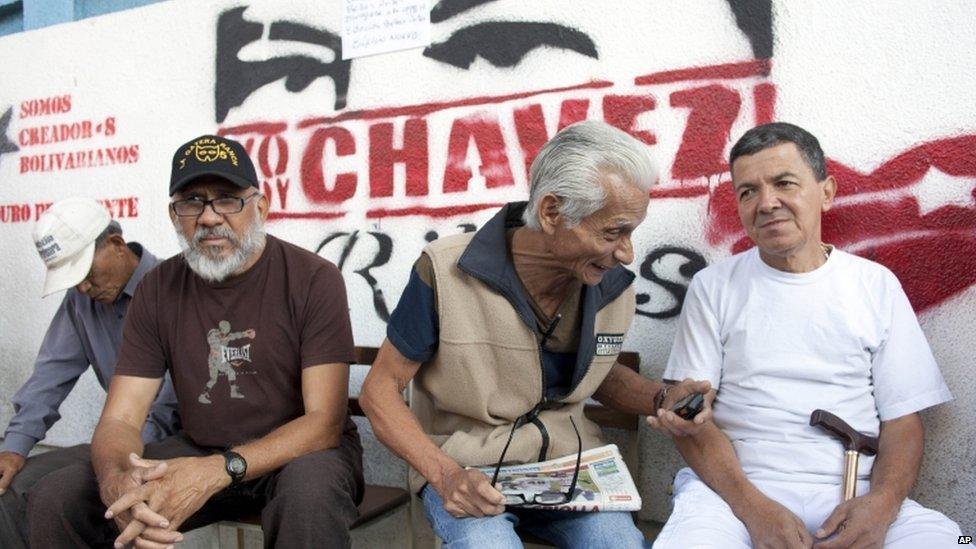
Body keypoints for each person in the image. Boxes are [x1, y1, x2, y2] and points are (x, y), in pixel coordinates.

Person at [361, 120, 713, 548]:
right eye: (612, 231)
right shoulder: (445, 270)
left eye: (630, 232)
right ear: (551, 213)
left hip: (568, 468)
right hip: (468, 471)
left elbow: (593, 373)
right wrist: (445, 474)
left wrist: (662, 399)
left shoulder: (608, 285)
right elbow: (379, 390)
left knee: (617, 543)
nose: (627, 252)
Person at [28, 135, 363, 548]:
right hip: (198, 448)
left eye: (227, 199)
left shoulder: (313, 278)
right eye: (192, 202)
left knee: (309, 498)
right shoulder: (157, 288)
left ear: (260, 206)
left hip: (298, 454)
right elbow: (121, 419)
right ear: (175, 216)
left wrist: (217, 470)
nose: (208, 218)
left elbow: (324, 423)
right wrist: (117, 481)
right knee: (58, 497)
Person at [654, 122, 963, 548]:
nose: (766, 203)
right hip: (732, 494)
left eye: (784, 183)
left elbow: (904, 420)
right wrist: (754, 509)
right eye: (748, 192)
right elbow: (695, 425)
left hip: (852, 492)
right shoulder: (713, 287)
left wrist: (884, 504)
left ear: (827, 192)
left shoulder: (875, 285)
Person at [0, 197, 179, 549]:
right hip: (121, 444)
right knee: (11, 489)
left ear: (115, 244)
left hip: (176, 442)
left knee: (68, 496)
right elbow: (50, 375)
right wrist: (15, 447)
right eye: (73, 279)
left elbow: (167, 410)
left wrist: (116, 465)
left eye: (84, 273)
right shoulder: (82, 301)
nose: (82, 287)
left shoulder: (172, 288)